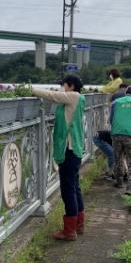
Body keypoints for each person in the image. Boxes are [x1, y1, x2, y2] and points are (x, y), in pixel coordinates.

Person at [32, 75, 86, 241]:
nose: (62, 88)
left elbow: (52, 96)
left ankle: (70, 231)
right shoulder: (79, 99)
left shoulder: (73, 96)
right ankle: (79, 224)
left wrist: (31, 89)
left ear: (71, 86)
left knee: (68, 191)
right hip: (75, 149)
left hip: (69, 150)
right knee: (75, 188)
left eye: (64, 85)